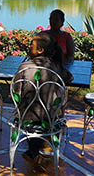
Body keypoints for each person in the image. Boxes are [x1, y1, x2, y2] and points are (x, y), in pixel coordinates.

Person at [13, 32, 73, 166]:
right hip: (51, 118)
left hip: (26, 118)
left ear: (40, 50)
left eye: (31, 45)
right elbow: (69, 78)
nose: (28, 47)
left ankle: (33, 152)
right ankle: (33, 153)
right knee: (47, 110)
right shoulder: (56, 66)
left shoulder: (24, 67)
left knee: (30, 112)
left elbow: (16, 92)